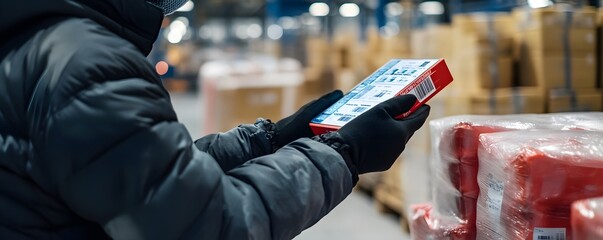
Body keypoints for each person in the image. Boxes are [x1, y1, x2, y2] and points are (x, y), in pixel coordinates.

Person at [0, 0, 430, 239]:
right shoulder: (85, 61)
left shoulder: (44, 40)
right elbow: (206, 226)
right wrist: (342, 154)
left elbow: (146, 178)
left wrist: (268, 141)